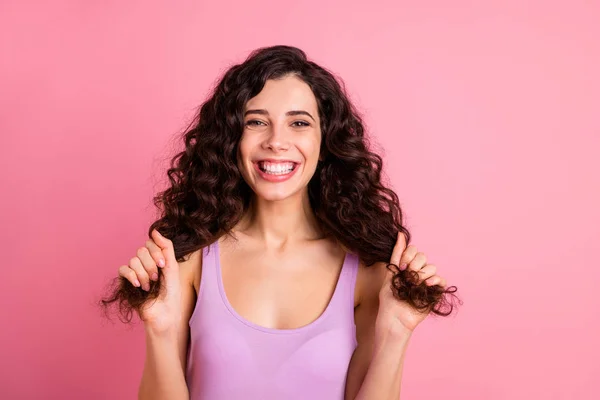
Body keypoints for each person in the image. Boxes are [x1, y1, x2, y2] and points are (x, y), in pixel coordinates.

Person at [101, 45, 460, 400]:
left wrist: (396, 334)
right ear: (231, 139)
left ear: (325, 141)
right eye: (256, 122)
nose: (276, 141)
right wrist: (159, 331)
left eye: (299, 123)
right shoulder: (191, 259)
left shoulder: (368, 272)